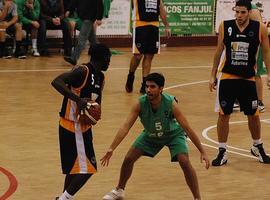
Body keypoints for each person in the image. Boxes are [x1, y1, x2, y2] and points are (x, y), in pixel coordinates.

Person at [101, 73, 210, 200]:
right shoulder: (140, 103)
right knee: (129, 158)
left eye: (152, 87)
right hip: (151, 134)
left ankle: (197, 198)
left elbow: (187, 128)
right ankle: (119, 190)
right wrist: (111, 148)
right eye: (147, 86)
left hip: (173, 134)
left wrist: (202, 151)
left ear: (161, 88)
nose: (148, 90)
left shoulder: (170, 103)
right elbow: (125, 126)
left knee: (184, 161)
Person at [209, 0, 270, 166]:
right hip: (228, 77)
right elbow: (218, 50)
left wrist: (269, 74)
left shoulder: (260, 29)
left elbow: (266, 52)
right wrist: (213, 74)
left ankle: (257, 145)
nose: (239, 16)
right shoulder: (225, 26)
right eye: (237, 12)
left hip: (248, 79)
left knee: (254, 115)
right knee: (224, 114)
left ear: (249, 12)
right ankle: (222, 150)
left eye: (243, 12)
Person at [51, 43, 111, 200]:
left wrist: (94, 113)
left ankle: (63, 198)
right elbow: (57, 81)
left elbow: (96, 102)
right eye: (108, 59)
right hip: (72, 126)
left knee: (74, 169)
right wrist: (78, 100)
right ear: (103, 58)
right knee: (88, 169)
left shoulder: (101, 77)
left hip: (83, 127)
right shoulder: (82, 71)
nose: (109, 62)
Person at [125, 0, 171, 94]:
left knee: (149, 56)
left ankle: (145, 84)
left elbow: (161, 8)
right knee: (138, 55)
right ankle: (131, 76)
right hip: (140, 24)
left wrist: (166, 25)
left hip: (154, 25)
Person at [63, 0, 103, 66]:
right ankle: (102, 53)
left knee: (82, 38)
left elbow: (100, 5)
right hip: (83, 17)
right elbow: (75, 1)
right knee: (93, 40)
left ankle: (74, 58)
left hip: (89, 18)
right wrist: (69, 10)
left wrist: (99, 18)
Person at [250, 2, 266, 112]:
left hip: (256, 46)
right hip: (249, 45)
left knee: (256, 73)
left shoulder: (253, 9)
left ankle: (260, 102)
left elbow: (260, 29)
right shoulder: (245, 8)